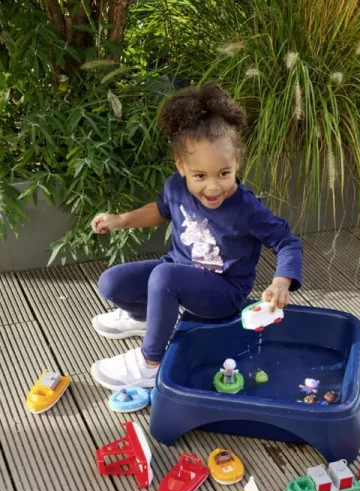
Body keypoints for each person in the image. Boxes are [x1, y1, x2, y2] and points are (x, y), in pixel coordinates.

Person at [89, 83, 303, 390]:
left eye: (224, 173)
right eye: (200, 175)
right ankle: (145, 318)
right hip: (177, 270)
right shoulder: (176, 186)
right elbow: (161, 210)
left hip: (223, 292)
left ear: (236, 162)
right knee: (111, 282)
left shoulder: (246, 208)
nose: (213, 187)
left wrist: (281, 282)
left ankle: (151, 363)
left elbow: (287, 242)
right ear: (181, 167)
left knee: (164, 276)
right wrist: (121, 220)